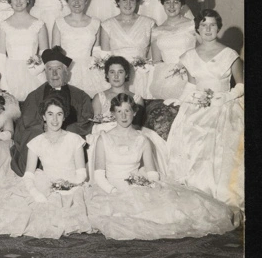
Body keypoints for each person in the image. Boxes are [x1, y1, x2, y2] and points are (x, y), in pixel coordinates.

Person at [86, 94, 236, 240]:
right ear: (113, 113)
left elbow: (152, 173)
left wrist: (147, 187)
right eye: (119, 111)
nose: (124, 116)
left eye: (127, 111)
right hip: (110, 188)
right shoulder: (103, 138)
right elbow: (99, 176)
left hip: (135, 185)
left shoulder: (142, 139)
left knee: (170, 214)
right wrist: (114, 192)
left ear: (134, 112)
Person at [0, 96, 92, 239]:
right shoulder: (36, 142)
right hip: (47, 184)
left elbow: (82, 174)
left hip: (72, 186)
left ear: (64, 117)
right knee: (20, 212)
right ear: (43, 117)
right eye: (50, 114)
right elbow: (29, 175)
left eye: (59, 114)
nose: (55, 120)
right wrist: (35, 193)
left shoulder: (74, 139)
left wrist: (69, 186)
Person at [166, 10, 244, 211]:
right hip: (196, 108)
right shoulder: (189, 56)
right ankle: (194, 200)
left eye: (212, 25)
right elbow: (192, 85)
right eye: (204, 25)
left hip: (223, 108)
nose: (208, 29)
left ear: (218, 28)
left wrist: (224, 97)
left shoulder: (230, 55)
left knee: (218, 154)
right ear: (197, 29)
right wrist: (180, 99)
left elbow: (242, 85)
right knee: (190, 147)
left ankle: (218, 199)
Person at [10, 47, 94, 176]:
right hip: (42, 136)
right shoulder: (34, 96)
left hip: (69, 138)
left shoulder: (80, 96)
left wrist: (63, 131)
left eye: (58, 69)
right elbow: (27, 122)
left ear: (66, 72)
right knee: (34, 135)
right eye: (50, 69)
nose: (54, 74)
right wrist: (48, 131)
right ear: (45, 73)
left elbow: (86, 122)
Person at [88, 56, 168, 179]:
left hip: (130, 133)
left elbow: (136, 124)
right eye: (112, 72)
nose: (116, 76)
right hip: (105, 136)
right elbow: (95, 124)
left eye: (120, 72)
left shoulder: (136, 98)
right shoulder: (99, 98)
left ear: (126, 75)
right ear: (107, 75)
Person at [100, 0, 156, 99]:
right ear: (118, 2)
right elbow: (105, 56)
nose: (128, 4)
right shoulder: (107, 25)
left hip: (142, 76)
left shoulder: (149, 23)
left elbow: (153, 55)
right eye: (124, 0)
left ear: (137, 2)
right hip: (116, 77)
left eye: (132, 0)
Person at [0, 0, 48, 101]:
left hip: (34, 73)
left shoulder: (39, 24)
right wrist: (3, 84)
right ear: (10, 1)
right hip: (10, 74)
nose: (18, 1)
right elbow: (0, 57)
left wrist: (36, 70)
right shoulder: (3, 26)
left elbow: (45, 54)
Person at [51, 0, 106, 97]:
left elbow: (96, 50)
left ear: (86, 0)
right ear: (67, 1)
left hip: (89, 70)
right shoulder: (59, 22)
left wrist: (97, 68)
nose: (76, 2)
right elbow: (55, 52)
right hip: (67, 68)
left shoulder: (95, 22)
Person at [147, 0, 198, 100]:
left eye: (176, 2)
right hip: (166, 78)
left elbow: (203, 50)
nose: (171, 6)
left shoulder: (193, 25)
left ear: (182, 5)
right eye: (167, 2)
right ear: (163, 4)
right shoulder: (157, 31)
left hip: (191, 75)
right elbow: (157, 61)